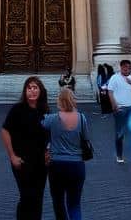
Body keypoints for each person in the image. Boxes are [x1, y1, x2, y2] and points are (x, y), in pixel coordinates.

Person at [1, 76, 50, 220]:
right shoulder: (17, 109)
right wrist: (12, 156)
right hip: (21, 161)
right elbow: (5, 131)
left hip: (41, 162)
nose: (32, 91)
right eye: (29, 88)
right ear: (25, 91)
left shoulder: (45, 109)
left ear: (40, 91)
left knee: (38, 197)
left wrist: (49, 152)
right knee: (27, 196)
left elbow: (51, 133)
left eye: (35, 88)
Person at [41, 88, 89, 220]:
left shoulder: (52, 119)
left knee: (58, 203)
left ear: (59, 101)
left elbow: (39, 124)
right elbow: (86, 138)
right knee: (74, 204)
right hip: (77, 165)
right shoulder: (82, 118)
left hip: (57, 164)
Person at [105, 59, 131, 167]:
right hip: (120, 109)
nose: (128, 69)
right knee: (120, 134)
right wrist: (114, 105)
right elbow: (110, 92)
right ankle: (119, 154)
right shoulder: (114, 78)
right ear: (121, 67)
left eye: (129, 67)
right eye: (126, 67)